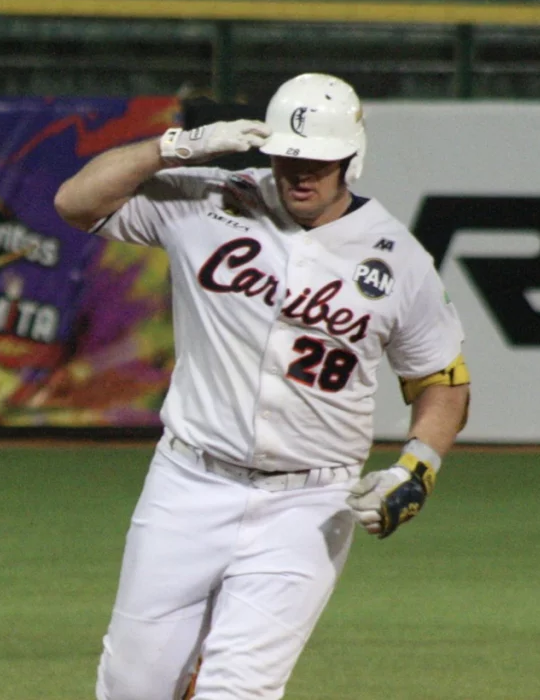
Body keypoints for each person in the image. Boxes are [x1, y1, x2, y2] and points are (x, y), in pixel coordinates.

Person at [54, 72, 471, 700]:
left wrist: (418, 468)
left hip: (308, 505)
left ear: (350, 159)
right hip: (188, 482)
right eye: (289, 157)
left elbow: (441, 378)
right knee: (133, 687)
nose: (301, 174)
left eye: (319, 162)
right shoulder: (206, 199)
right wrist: (175, 147)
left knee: (237, 692)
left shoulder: (399, 259)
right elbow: (76, 203)